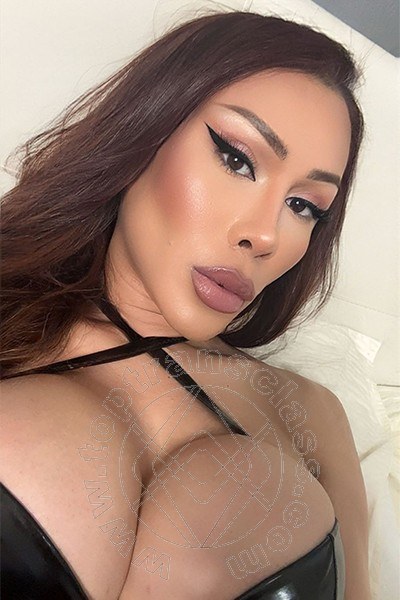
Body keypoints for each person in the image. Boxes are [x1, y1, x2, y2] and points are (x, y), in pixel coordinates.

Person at [0, 9, 371, 600]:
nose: (265, 235)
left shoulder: (313, 416)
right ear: (143, 131)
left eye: (304, 206)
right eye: (237, 160)